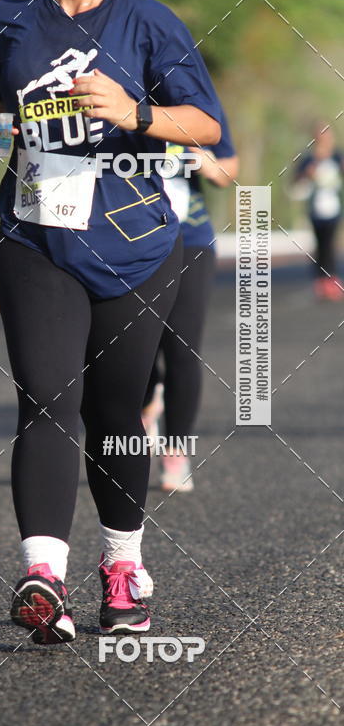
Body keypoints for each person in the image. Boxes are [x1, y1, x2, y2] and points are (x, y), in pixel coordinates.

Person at [0, 0, 221, 643]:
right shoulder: (10, 18)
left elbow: (207, 127)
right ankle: (43, 575)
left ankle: (122, 564)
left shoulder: (151, 23)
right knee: (45, 398)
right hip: (36, 237)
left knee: (114, 412)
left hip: (138, 247)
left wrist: (138, 111)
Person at [141, 112, 239, 492]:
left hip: (191, 239)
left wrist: (207, 163)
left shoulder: (195, 105)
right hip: (132, 239)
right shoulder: (120, 100)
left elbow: (228, 170)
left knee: (182, 347)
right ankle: (147, 403)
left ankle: (176, 451)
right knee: (136, 344)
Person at [294, 123, 343, 301]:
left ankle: (331, 279)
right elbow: (296, 180)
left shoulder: (337, 156)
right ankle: (320, 281)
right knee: (320, 245)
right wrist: (308, 173)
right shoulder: (308, 159)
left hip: (334, 208)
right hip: (315, 210)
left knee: (330, 245)